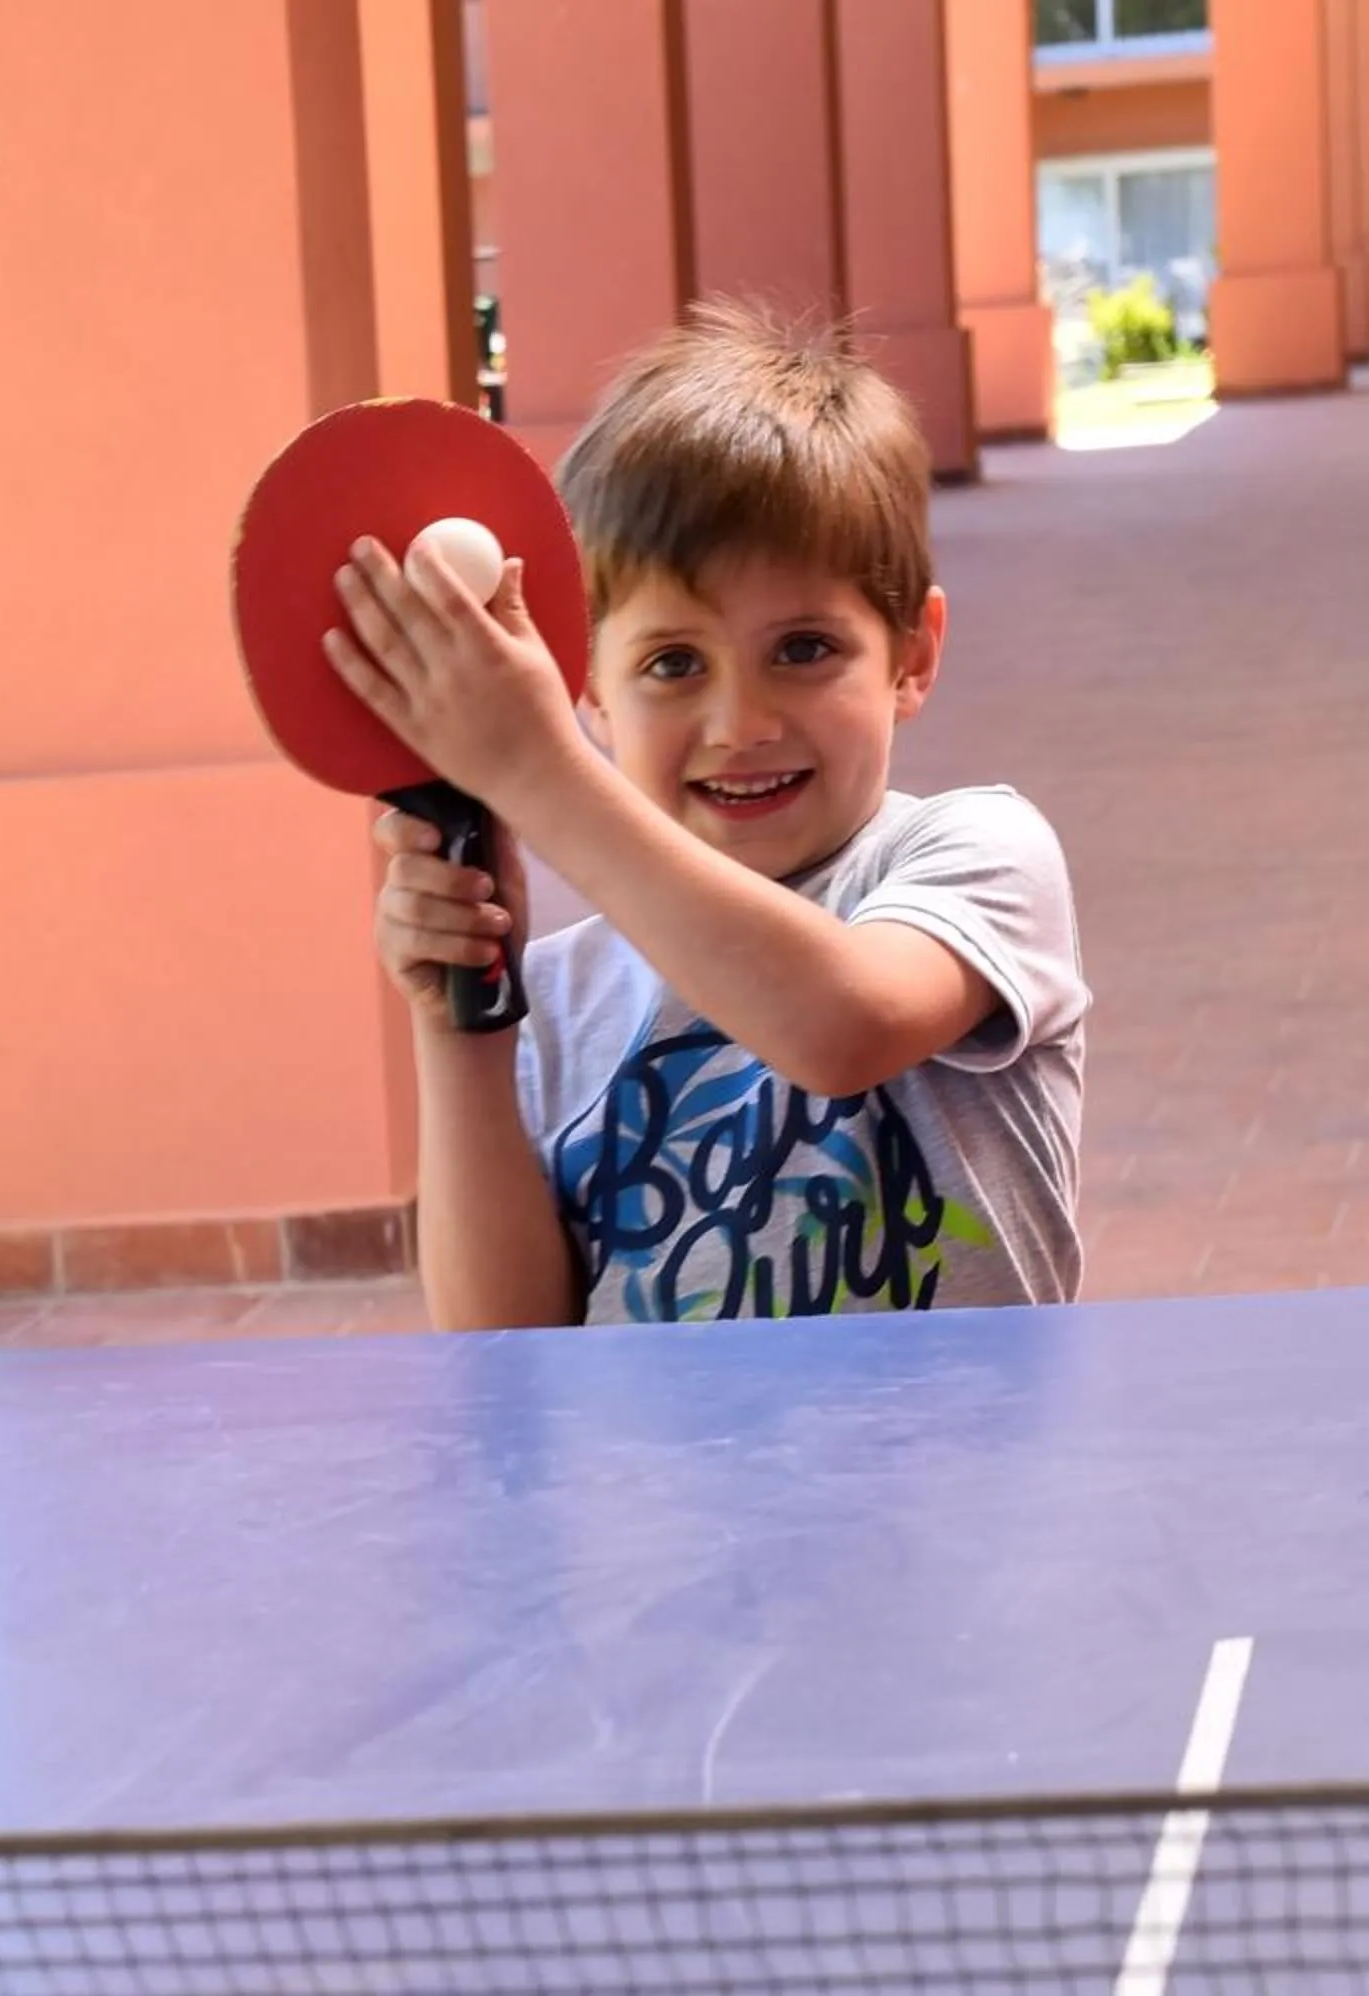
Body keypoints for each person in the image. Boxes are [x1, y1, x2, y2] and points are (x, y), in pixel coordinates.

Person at [335, 299, 1089, 1329]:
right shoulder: (557, 996)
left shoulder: (976, 858)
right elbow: (501, 1344)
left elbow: (839, 1027)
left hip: (952, 1492)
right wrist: (461, 1023)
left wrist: (536, 772)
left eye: (804, 649)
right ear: (589, 685)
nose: (741, 722)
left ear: (913, 654)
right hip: (665, 1497)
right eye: (672, 664)